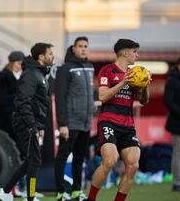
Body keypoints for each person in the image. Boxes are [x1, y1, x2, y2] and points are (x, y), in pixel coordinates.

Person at [86, 39, 150, 201]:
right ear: (125, 52)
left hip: (127, 125)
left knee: (133, 164)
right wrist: (123, 82)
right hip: (108, 122)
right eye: (135, 51)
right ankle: (91, 199)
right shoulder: (107, 71)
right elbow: (103, 96)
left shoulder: (136, 74)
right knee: (110, 161)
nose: (137, 55)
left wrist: (144, 87)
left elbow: (143, 101)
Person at [0, 43, 54, 201]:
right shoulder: (31, 74)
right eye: (49, 53)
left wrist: (39, 126)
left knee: (32, 160)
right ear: (41, 57)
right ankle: (30, 196)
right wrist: (32, 125)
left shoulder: (39, 74)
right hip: (26, 122)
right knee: (34, 160)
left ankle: (7, 191)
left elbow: (39, 104)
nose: (52, 56)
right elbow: (22, 103)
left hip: (32, 122)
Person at [54, 36, 94, 201]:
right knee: (62, 157)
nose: (83, 49)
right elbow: (60, 98)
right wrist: (62, 124)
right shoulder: (65, 69)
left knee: (79, 158)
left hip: (86, 123)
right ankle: (60, 193)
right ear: (73, 49)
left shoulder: (90, 67)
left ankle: (76, 192)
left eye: (86, 46)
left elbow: (89, 93)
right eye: (80, 46)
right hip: (70, 123)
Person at [0, 51, 25, 140]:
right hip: (6, 116)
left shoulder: (17, 76)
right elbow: (2, 98)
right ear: (12, 63)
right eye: (19, 64)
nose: (21, 66)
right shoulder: (3, 76)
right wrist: (19, 97)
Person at [164, 57, 180, 192]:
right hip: (177, 123)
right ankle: (177, 183)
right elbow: (168, 101)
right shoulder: (172, 80)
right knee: (178, 152)